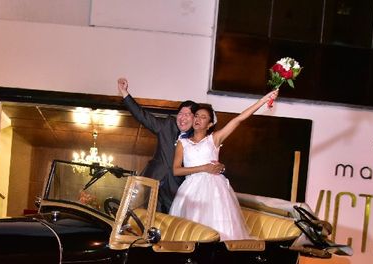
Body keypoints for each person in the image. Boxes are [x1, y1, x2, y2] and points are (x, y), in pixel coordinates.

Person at [169, 91, 279, 240]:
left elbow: (238, 119)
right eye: (196, 116)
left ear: (210, 124)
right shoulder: (183, 143)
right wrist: (204, 168)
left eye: (203, 117)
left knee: (218, 230)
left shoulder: (214, 139)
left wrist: (264, 99)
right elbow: (176, 170)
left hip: (215, 191)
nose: (198, 119)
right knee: (190, 233)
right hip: (190, 192)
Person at [117, 78, 223, 213]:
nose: (182, 117)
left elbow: (209, 160)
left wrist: (221, 168)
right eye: (180, 113)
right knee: (143, 219)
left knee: (167, 226)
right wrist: (124, 92)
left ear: (195, 118)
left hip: (175, 190)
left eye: (187, 114)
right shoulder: (167, 126)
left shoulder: (198, 139)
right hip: (152, 182)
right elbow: (142, 116)